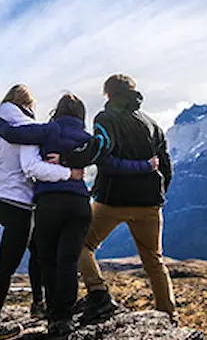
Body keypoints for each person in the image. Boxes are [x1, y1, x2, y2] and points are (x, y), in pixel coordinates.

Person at [0, 93, 156, 336]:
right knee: (69, 261)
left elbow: (12, 134)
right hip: (80, 205)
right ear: (81, 114)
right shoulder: (88, 139)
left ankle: (54, 317)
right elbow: (107, 155)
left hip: (50, 203)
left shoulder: (47, 131)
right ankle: (66, 318)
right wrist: (145, 165)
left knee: (48, 260)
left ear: (57, 111)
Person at [61, 74, 177, 324]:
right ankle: (168, 315)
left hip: (112, 201)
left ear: (108, 94)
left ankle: (99, 292)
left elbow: (102, 154)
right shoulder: (153, 124)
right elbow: (166, 167)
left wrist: (67, 160)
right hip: (150, 205)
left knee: (81, 245)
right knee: (154, 261)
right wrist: (158, 195)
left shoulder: (106, 118)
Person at [0, 85, 83, 340]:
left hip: (2, 201)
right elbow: (31, 168)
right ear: (27, 105)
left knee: (34, 253)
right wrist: (68, 173)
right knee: (17, 262)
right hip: (21, 202)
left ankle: (34, 305)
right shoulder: (27, 128)